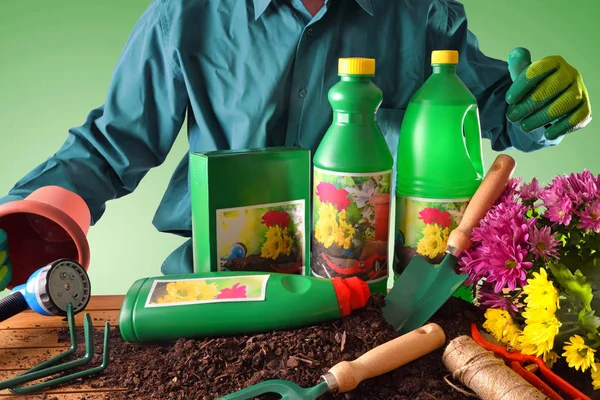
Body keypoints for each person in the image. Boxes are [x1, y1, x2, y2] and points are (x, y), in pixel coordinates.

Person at [0, 0, 592, 288]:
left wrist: (545, 108)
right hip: (213, 294)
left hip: (374, 301)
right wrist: (28, 223)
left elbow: (495, 112)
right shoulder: (185, 14)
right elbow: (110, 148)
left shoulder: (419, 13)